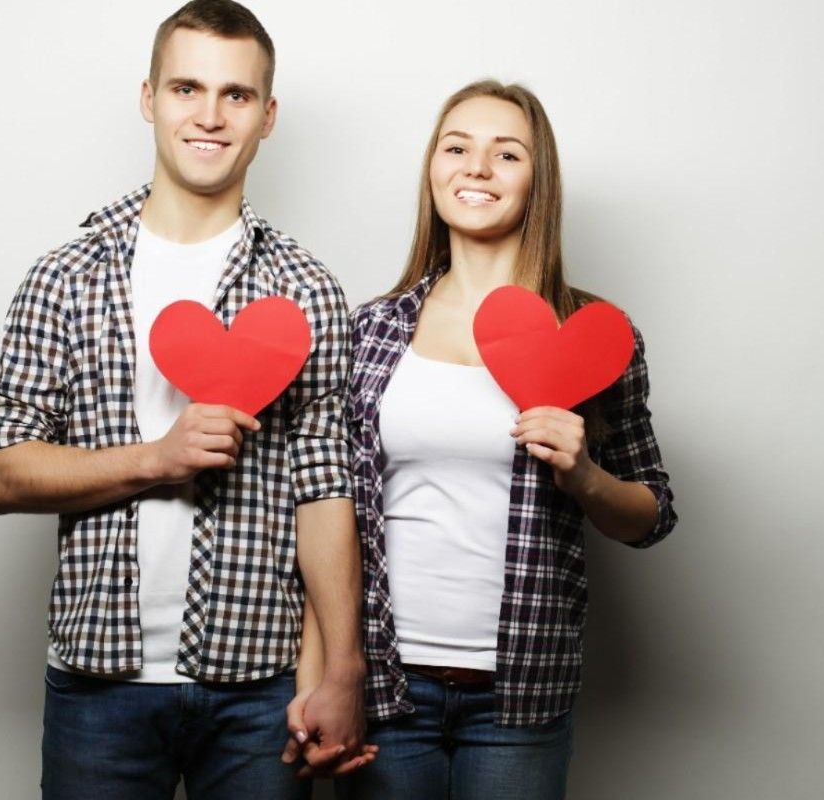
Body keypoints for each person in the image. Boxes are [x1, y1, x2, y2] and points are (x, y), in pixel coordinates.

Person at [0, 1, 372, 797]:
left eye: (237, 95)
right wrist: (157, 459)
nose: (210, 115)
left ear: (268, 116)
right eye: (188, 88)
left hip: (259, 690)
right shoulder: (67, 276)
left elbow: (325, 490)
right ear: (149, 97)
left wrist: (343, 668)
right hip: (98, 684)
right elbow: (0, 472)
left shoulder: (305, 291)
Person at [288, 80, 678, 799]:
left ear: (539, 181)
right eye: (457, 147)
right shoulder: (370, 331)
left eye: (507, 154)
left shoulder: (591, 337)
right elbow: (330, 512)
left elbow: (652, 515)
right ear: (433, 168)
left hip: (519, 696)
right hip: (384, 686)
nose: (477, 168)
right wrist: (320, 679)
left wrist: (584, 473)